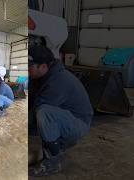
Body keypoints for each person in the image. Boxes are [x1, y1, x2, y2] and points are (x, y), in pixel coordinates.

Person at [29, 45, 93, 176]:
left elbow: (36, 113)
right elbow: (30, 104)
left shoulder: (58, 81)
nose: (27, 70)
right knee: (40, 114)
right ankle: (59, 144)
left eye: (30, 66)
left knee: (43, 112)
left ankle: (53, 161)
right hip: (65, 116)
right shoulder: (39, 77)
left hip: (78, 123)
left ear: (43, 66)